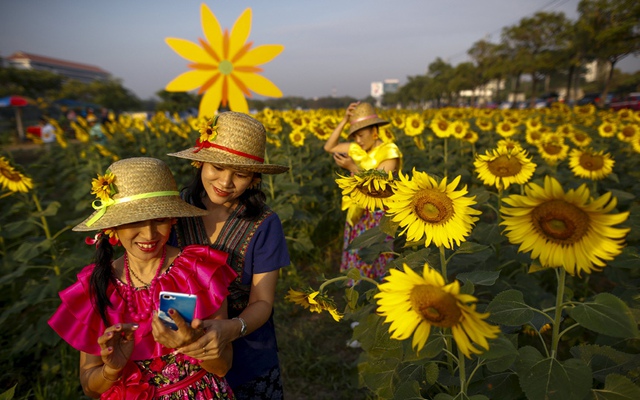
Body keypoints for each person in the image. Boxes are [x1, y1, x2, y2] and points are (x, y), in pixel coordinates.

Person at [48, 157, 237, 399]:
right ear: (113, 227)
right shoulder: (97, 286)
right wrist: (112, 368)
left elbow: (223, 366)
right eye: (135, 221)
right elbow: (90, 387)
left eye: (159, 220)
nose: (149, 234)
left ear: (172, 219)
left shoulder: (198, 271)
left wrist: (192, 343)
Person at [168, 111, 290, 399]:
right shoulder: (173, 213)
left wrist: (231, 329)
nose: (225, 181)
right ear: (200, 160)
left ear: (255, 179)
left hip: (248, 351)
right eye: (218, 167)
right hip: (182, 357)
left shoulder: (264, 223)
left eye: (241, 173)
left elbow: (262, 301)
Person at [323, 101, 402, 280]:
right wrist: (344, 120)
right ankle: (356, 290)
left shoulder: (389, 152)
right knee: (357, 251)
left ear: (374, 130)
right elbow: (329, 147)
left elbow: (378, 185)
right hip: (358, 213)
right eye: (355, 136)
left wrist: (353, 167)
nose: (358, 140)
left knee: (376, 252)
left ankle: (377, 295)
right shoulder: (357, 149)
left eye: (360, 135)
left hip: (379, 214)